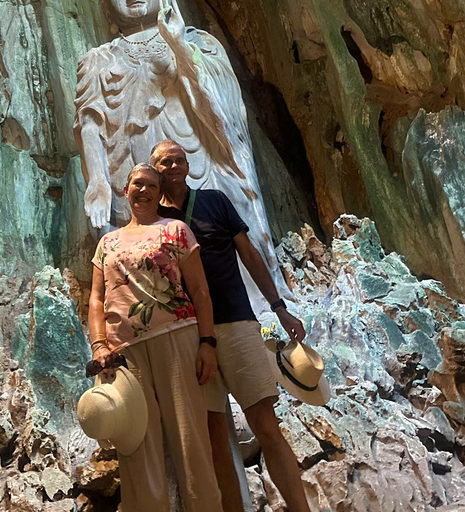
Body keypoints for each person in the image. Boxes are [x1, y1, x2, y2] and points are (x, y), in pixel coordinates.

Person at [74, 0, 292, 313]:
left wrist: (178, 45)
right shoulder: (100, 58)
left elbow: (222, 113)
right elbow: (90, 121)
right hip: (137, 167)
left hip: (198, 160)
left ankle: (257, 305)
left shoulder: (198, 42)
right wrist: (97, 179)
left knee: (219, 231)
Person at [153, 140, 312, 512]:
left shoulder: (215, 201)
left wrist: (279, 307)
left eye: (179, 159)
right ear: (155, 168)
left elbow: (250, 254)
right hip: (189, 336)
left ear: (188, 165)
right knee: (214, 436)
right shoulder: (154, 221)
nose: (174, 165)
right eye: (165, 161)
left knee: (265, 424)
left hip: (237, 322)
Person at [88, 163, 224, 512]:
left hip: (177, 337)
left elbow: (199, 289)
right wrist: (99, 344)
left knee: (190, 436)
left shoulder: (175, 230)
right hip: (125, 352)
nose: (143, 190)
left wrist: (207, 343)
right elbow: (97, 297)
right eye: (137, 184)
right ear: (125, 190)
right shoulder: (107, 242)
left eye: (151, 185)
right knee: (137, 444)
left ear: (159, 193)